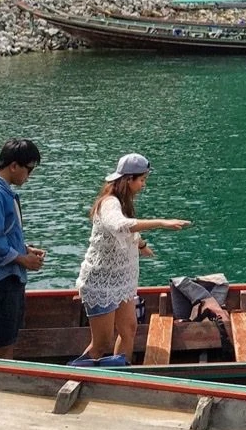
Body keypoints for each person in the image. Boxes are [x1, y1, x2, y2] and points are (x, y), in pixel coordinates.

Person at [73, 154, 191, 365]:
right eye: (142, 180)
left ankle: (122, 373)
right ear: (128, 179)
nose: (143, 185)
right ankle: (73, 374)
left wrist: (142, 245)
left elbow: (126, 232)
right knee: (101, 343)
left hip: (121, 281)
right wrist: (161, 223)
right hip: (101, 283)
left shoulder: (122, 203)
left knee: (129, 329)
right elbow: (120, 225)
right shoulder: (109, 203)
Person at [0, 140, 45, 358]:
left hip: (6, 281)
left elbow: (1, 235)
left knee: (7, 343)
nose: (28, 176)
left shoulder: (0, 191)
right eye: (28, 170)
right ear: (14, 166)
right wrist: (23, 259)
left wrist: (25, 249)